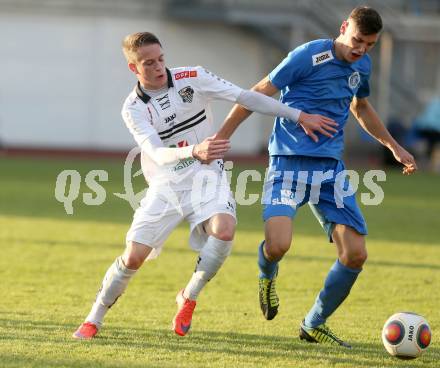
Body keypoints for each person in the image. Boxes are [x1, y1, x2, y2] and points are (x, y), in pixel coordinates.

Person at [72, 32, 336, 339]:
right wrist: (193, 150)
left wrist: (298, 115)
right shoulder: (133, 108)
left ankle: (189, 295)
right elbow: (156, 152)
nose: (158, 67)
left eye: (161, 59)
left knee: (224, 230)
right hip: (166, 185)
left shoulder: (192, 77)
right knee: (133, 257)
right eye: (148, 63)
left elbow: (245, 97)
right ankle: (94, 317)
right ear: (134, 68)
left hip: (207, 176)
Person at [215, 6, 417, 347]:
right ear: (343, 28)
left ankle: (313, 323)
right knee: (278, 246)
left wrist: (393, 146)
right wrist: (222, 137)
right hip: (287, 164)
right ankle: (267, 275)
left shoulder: (362, 65)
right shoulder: (308, 55)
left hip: (330, 171)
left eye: (369, 44)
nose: (361, 50)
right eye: (357, 40)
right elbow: (257, 92)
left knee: (355, 254)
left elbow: (361, 108)